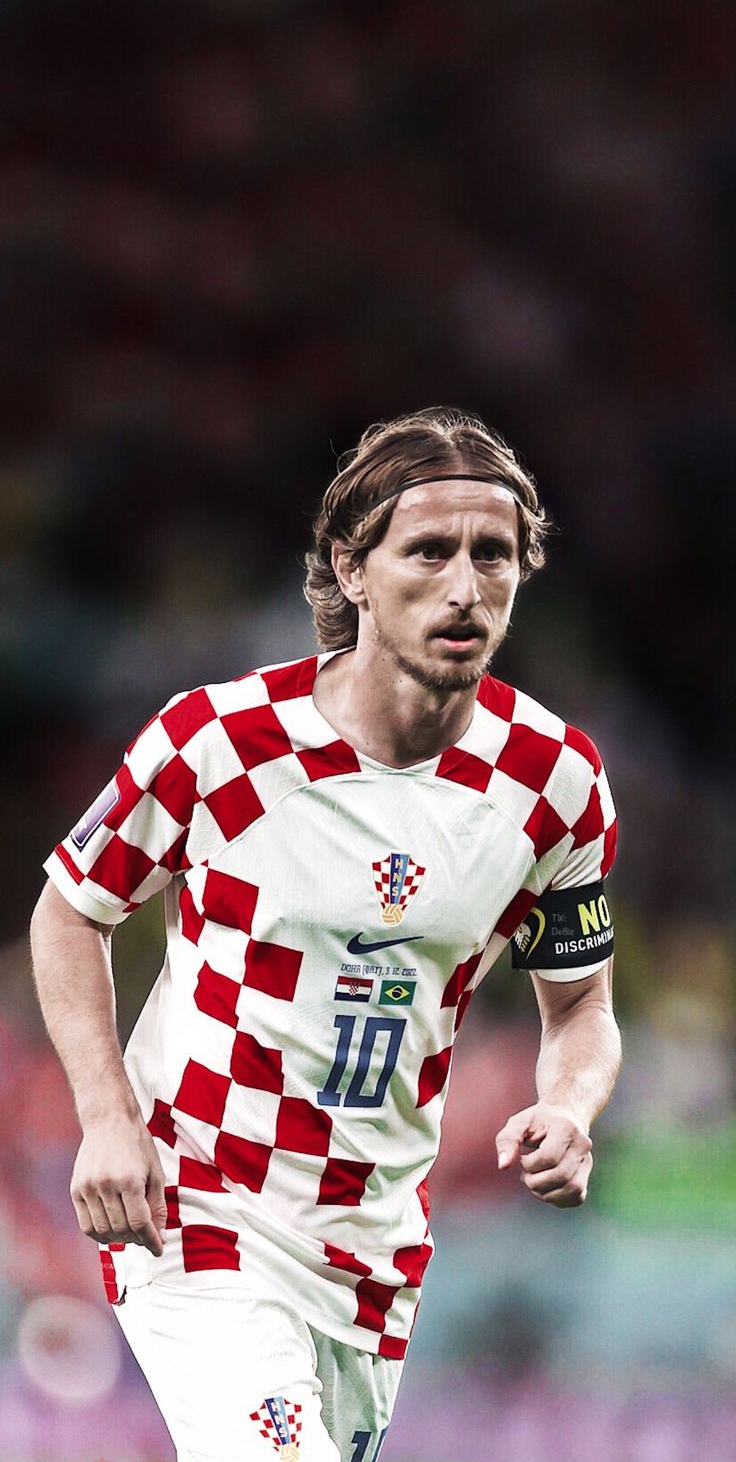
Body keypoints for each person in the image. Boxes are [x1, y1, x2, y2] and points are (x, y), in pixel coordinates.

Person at [30, 408, 621, 1462]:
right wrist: (106, 1116)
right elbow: (72, 907)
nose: (463, 586)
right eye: (429, 551)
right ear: (352, 570)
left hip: (372, 1244)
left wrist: (569, 1106)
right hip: (198, 1206)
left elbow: (582, 1007)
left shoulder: (554, 783)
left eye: (492, 555)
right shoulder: (220, 743)